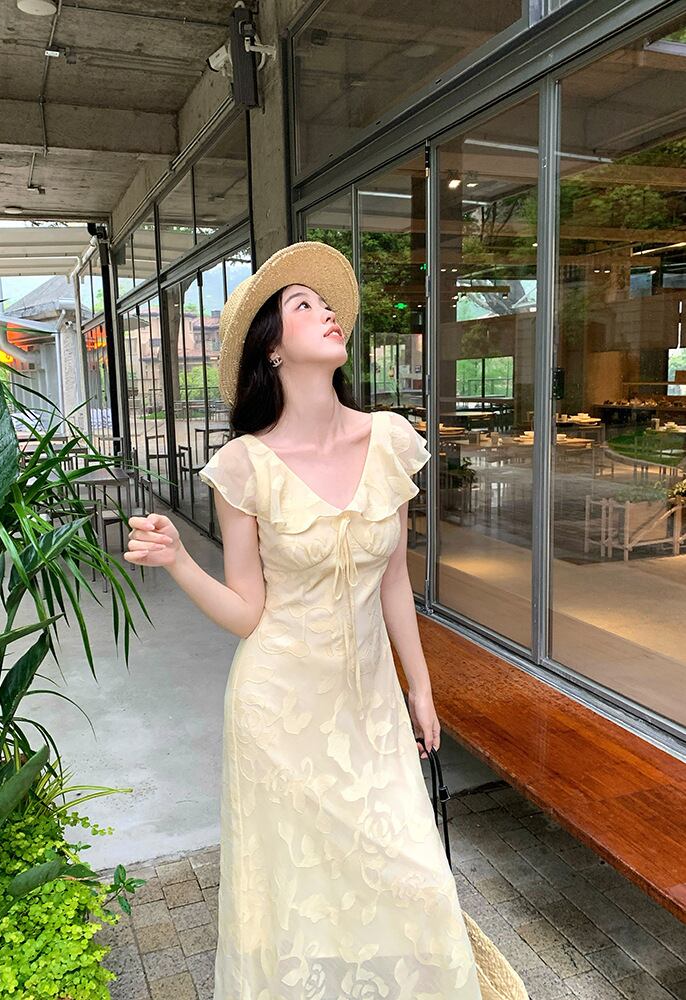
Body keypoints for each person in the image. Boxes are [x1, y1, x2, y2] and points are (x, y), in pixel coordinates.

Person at [124, 242, 483, 998]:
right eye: (302, 306)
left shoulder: (388, 439)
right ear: (273, 349)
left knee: (414, 877)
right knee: (302, 912)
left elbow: (394, 582)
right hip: (278, 719)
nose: (325, 313)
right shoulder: (245, 465)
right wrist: (180, 561)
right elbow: (247, 612)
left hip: (371, 712)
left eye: (326, 305)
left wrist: (420, 688)